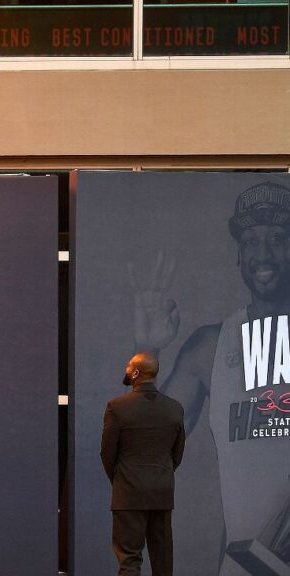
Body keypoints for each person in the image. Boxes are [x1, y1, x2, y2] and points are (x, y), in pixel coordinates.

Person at [129, 181, 290, 575]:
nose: (262, 253)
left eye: (276, 238)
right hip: (247, 567)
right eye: (250, 241)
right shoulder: (210, 347)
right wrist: (149, 352)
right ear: (239, 254)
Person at [101, 352, 186, 576]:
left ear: (136, 373)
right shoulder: (174, 408)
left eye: (129, 367)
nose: (127, 370)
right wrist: (162, 474)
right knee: (163, 560)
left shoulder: (117, 407)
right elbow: (177, 454)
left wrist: (121, 479)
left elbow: (107, 454)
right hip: (161, 492)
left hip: (128, 492)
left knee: (129, 560)